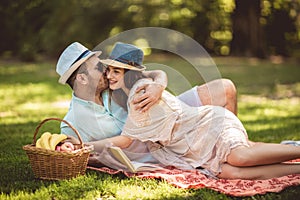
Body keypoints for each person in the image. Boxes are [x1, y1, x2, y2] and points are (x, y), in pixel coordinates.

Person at [86, 43, 300, 180]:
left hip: (211, 125)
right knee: (230, 173)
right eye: (109, 70)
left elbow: (125, 141)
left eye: (116, 71)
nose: (110, 76)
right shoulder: (139, 85)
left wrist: (85, 146)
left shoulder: (139, 92)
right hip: (194, 145)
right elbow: (154, 73)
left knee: (239, 157)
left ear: (129, 73)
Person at [56, 42, 237, 142]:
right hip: (159, 142)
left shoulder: (111, 85)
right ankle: (227, 149)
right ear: (82, 78)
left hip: (164, 116)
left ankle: (231, 140)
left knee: (226, 88)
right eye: (98, 67)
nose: (106, 70)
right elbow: (74, 153)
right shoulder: (72, 123)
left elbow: (151, 73)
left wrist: (158, 85)